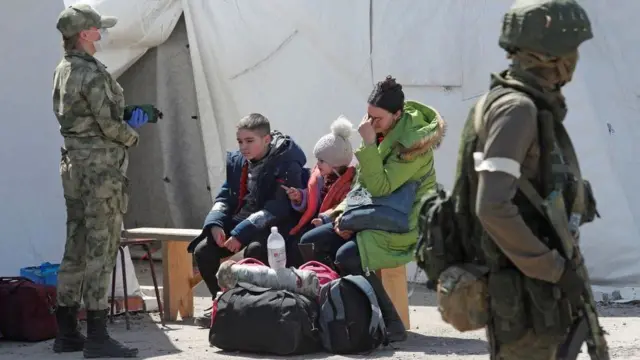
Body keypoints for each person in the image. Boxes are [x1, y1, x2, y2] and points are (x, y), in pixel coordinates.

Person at [446, 1, 608, 358]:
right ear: (551, 54)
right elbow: (492, 206)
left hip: (531, 292)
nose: (576, 59)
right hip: (526, 298)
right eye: (572, 49)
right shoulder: (516, 109)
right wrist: (552, 269)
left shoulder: (515, 103)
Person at [300, 76, 445, 342]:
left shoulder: (413, 146)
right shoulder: (382, 133)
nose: (369, 123)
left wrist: (367, 145)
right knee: (310, 243)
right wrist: (333, 214)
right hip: (371, 212)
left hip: (404, 223)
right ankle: (339, 312)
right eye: (368, 115)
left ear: (398, 115)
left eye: (376, 118)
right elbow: (361, 186)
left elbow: (380, 187)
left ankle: (391, 323)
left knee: (348, 257)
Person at [52, 3, 152, 358]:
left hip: (74, 166)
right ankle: (97, 335)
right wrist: (132, 133)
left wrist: (116, 120)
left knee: (75, 245)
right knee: (101, 248)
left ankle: (66, 331)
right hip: (100, 172)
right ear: (85, 33)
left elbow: (84, 117)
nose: (102, 33)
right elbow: (108, 126)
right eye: (98, 28)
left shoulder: (63, 70)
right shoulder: (93, 73)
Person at [188, 113, 307, 327]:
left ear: (267, 139)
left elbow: (278, 207)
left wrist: (241, 232)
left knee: (255, 251)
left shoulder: (287, 162)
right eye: (240, 141)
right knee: (203, 251)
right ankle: (223, 303)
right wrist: (215, 223)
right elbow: (226, 195)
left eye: (250, 141)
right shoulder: (237, 161)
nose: (243, 147)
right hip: (240, 223)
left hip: (273, 227)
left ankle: (253, 306)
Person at [284, 116, 357, 262]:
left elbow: (341, 208)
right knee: (292, 242)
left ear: (336, 164)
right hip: (314, 221)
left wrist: (324, 219)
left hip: (332, 226)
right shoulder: (320, 177)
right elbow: (313, 197)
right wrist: (300, 196)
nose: (317, 164)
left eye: (322, 161)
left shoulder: (348, 185)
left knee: (307, 244)